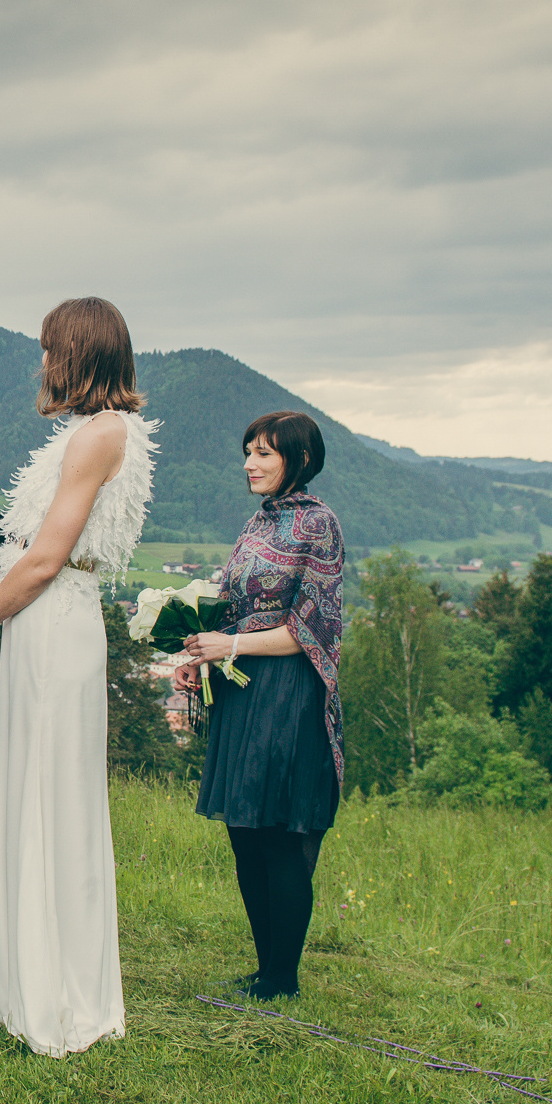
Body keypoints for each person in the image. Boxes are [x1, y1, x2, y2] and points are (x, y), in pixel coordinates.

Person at [0, 297, 156, 1057]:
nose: (43, 363)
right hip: (51, 619)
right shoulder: (104, 431)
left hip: (54, 617)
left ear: (79, 352)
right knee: (42, 791)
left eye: (50, 349)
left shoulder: (99, 435)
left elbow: (45, 557)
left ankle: (54, 997)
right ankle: (33, 983)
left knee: (50, 797)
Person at [178, 410, 345, 1000]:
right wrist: (199, 651)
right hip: (241, 690)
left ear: (299, 458)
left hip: (288, 695)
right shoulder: (258, 521)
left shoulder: (319, 524)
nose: (250, 463)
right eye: (248, 451)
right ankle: (264, 968)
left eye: (264, 453)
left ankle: (282, 977)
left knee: (278, 834)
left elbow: (311, 628)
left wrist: (232, 645)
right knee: (245, 832)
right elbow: (230, 604)